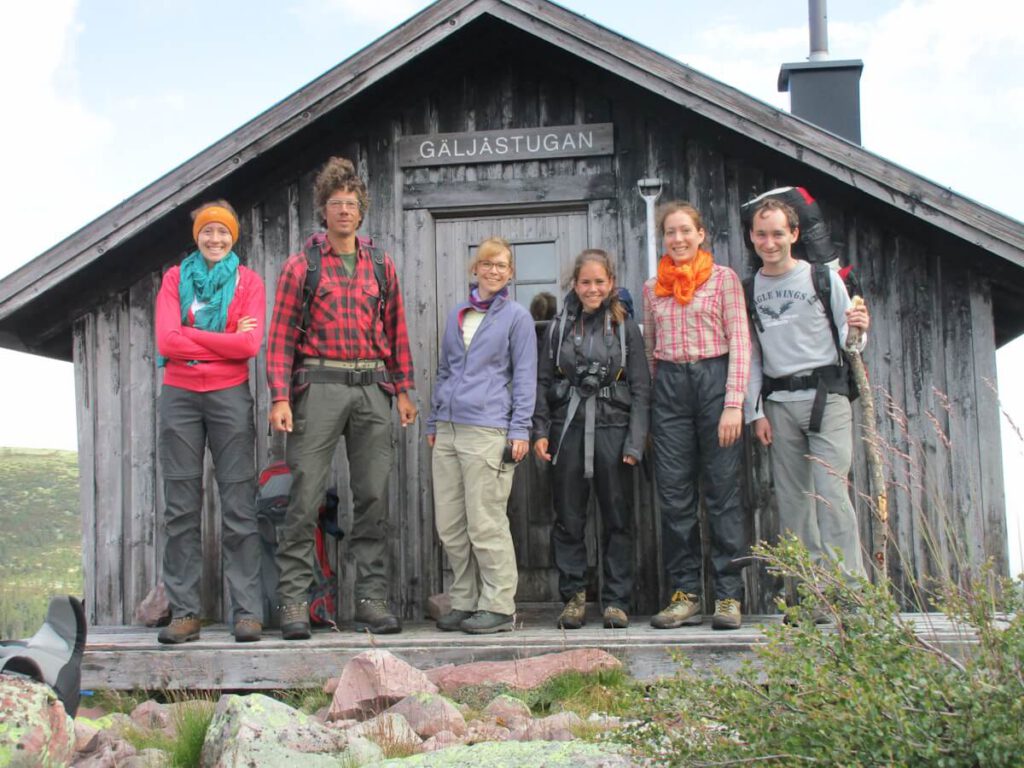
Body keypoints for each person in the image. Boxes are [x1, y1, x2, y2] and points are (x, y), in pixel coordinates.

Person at [266, 156, 417, 639]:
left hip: (373, 389)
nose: (345, 211)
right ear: (324, 210)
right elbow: (281, 336)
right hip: (319, 388)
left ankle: (371, 600)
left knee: (372, 495)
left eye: (352, 204)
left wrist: (405, 389)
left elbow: (396, 330)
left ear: (362, 210)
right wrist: (279, 397)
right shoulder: (301, 266)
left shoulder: (380, 264)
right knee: (304, 495)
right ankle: (294, 601)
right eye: (336, 204)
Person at [744, 197, 869, 602]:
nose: (770, 242)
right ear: (752, 237)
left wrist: (860, 329)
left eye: (778, 233)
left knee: (832, 495)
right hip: (778, 403)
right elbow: (753, 356)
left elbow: (851, 340)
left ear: (794, 234)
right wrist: (755, 412)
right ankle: (810, 596)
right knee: (794, 503)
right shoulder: (750, 289)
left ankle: (851, 595)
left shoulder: (821, 279)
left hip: (825, 398)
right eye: (762, 234)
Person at [154, 200, 265, 643]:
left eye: (222, 232)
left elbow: (250, 346)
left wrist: (192, 338)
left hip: (229, 395)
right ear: (196, 236)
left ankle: (247, 613)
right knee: (180, 508)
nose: (215, 239)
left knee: (239, 504)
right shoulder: (175, 279)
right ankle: (184, 613)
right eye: (207, 232)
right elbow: (166, 338)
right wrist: (223, 338)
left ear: (233, 236)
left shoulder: (248, 281)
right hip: (180, 396)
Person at [643, 201, 750, 631]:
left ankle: (728, 596)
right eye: (671, 232)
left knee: (723, 496)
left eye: (686, 230)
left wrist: (733, 403)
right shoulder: (653, 288)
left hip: (714, 381)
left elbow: (741, 343)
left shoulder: (723, 280)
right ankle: (685, 594)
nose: (678, 239)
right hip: (670, 389)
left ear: (701, 234)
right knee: (674, 498)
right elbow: (651, 351)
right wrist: (656, 407)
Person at [426, 237, 537, 634]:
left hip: (488, 429)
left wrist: (520, 428)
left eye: (502, 265)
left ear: (510, 274)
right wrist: (433, 422)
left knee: (485, 522)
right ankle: (465, 600)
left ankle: (498, 605)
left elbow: (525, 376)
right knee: (451, 524)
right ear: (476, 268)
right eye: (487, 263)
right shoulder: (458, 313)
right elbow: (445, 371)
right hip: (449, 430)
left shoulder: (517, 317)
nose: (493, 270)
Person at [533, 249, 649, 629]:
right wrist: (540, 431)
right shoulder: (558, 327)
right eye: (586, 282)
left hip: (613, 432)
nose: (593, 288)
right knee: (568, 519)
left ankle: (616, 600)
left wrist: (635, 442)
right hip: (567, 432)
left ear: (611, 283)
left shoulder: (625, 327)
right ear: (575, 284)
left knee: (618, 519)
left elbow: (641, 387)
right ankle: (574, 598)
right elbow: (543, 383)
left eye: (600, 282)